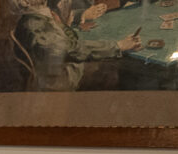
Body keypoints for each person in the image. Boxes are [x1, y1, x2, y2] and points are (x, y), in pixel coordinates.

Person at [11, 0, 140, 91]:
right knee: (113, 68)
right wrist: (118, 46)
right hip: (59, 80)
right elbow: (74, 49)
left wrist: (64, 25)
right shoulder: (35, 25)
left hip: (56, 69)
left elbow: (70, 38)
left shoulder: (39, 17)